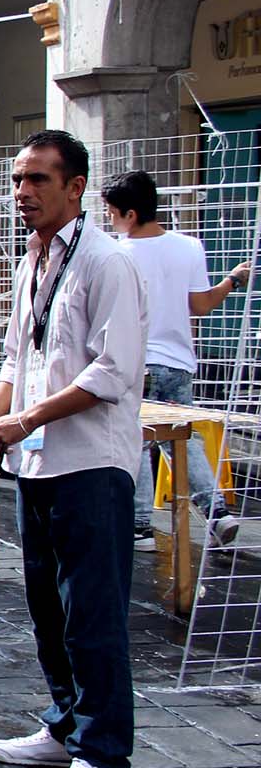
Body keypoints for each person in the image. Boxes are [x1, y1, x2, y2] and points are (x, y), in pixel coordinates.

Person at [0, 132, 146, 768]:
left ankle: (103, 754)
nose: (22, 192)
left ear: (76, 186)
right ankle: (66, 727)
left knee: (93, 612)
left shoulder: (105, 262)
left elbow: (110, 371)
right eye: (16, 180)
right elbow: (17, 363)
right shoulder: (35, 259)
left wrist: (24, 422)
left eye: (37, 179)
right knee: (49, 609)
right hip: (38, 464)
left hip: (89, 462)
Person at [102, 170, 248, 546]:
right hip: (178, 363)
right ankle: (217, 511)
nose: (109, 219)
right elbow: (200, 305)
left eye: (111, 211)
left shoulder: (114, 253)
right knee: (183, 438)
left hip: (134, 362)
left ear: (129, 215)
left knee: (136, 438)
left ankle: (140, 526)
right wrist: (231, 280)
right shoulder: (189, 246)